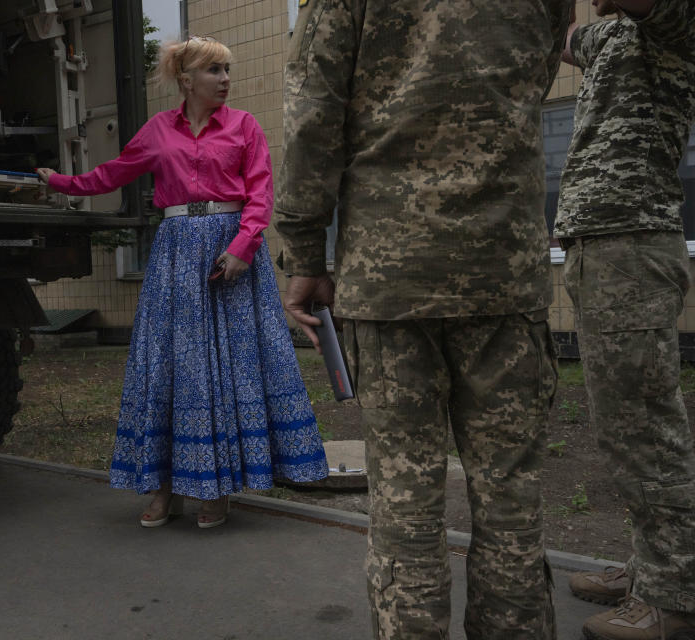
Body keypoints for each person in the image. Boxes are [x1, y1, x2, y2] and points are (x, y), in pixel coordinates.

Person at [276, 1, 571, 637]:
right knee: (510, 502)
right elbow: (537, 75)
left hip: (391, 281)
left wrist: (302, 250)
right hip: (502, 275)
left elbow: (313, 118)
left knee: (405, 508)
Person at [37, 36, 328, 529]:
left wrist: (242, 247)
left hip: (230, 255)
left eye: (228, 69)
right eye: (215, 70)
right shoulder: (157, 131)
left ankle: (216, 490)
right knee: (172, 370)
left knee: (228, 371)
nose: (226, 79)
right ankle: (164, 488)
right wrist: (61, 183)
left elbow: (261, 192)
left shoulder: (244, 126)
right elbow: (112, 174)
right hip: (175, 256)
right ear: (186, 79)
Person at [553, 1, 695, 637]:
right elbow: (560, 38)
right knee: (624, 426)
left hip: (632, 241)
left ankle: (675, 597)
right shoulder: (608, 33)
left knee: (646, 429)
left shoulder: (671, 17)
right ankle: (649, 568)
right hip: (600, 245)